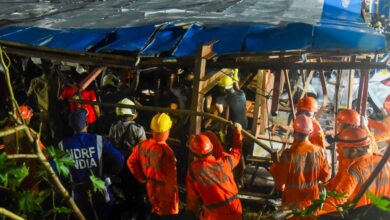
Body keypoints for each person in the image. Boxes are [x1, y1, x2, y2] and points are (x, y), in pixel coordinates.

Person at [58, 108, 124, 220]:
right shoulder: (98, 140)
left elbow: (55, 170)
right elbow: (119, 159)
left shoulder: (62, 145)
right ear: (87, 123)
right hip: (101, 193)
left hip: (78, 198)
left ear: (71, 126)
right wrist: (109, 173)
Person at [319, 128, 390, 214]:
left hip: (362, 215)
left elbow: (338, 199)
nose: (339, 150)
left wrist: (313, 212)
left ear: (354, 151)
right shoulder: (383, 161)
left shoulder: (355, 170)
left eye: (342, 148)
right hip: (383, 213)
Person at [270, 115, 330, 212]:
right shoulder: (321, 152)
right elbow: (325, 177)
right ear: (310, 133)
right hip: (312, 201)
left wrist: (275, 163)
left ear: (294, 133)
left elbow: (280, 181)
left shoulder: (288, 155)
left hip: (293, 202)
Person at [186, 123, 243, 220]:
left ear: (195, 153)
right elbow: (236, 153)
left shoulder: (194, 170)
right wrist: (238, 132)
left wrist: (191, 213)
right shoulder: (225, 162)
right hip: (234, 209)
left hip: (215, 215)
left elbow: (192, 199)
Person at [127, 113, 179, 219]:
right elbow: (171, 179)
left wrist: (141, 178)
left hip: (149, 186)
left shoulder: (142, 145)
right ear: (167, 130)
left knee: (153, 210)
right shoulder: (167, 151)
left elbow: (130, 161)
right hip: (164, 191)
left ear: (152, 129)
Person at [109, 98, 147, 219]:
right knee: (138, 187)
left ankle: (129, 209)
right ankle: (138, 211)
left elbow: (111, 143)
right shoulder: (138, 128)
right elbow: (143, 148)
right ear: (132, 112)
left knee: (126, 186)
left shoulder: (114, 126)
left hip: (120, 161)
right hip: (134, 162)